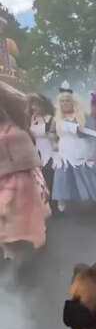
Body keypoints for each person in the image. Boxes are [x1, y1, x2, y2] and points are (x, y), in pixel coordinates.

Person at [0, 82, 51, 261]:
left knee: (27, 208)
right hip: (2, 175)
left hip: (22, 173)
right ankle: (7, 246)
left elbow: (21, 100)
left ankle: (33, 235)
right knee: (3, 210)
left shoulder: (16, 122)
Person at [51, 82, 96, 212]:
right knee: (62, 175)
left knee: (88, 174)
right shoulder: (57, 118)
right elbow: (52, 132)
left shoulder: (83, 116)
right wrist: (54, 143)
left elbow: (94, 135)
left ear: (73, 102)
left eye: (67, 100)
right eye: (62, 101)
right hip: (64, 149)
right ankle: (61, 199)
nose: (64, 103)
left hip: (81, 148)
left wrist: (92, 151)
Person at [29, 94, 57, 210]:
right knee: (40, 180)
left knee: (50, 179)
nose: (34, 107)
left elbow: (55, 136)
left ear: (43, 105)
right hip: (36, 151)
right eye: (33, 104)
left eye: (36, 104)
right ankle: (43, 206)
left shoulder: (51, 118)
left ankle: (53, 205)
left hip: (50, 151)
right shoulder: (33, 118)